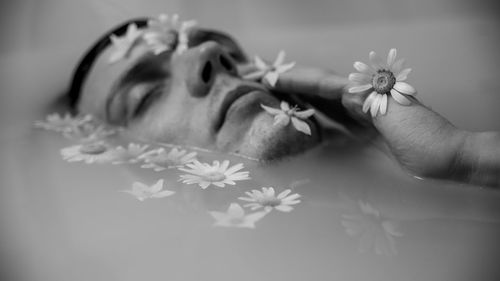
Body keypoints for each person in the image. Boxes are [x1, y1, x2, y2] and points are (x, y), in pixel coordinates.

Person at [65, 15, 500, 187]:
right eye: (145, 96)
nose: (210, 56)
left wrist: (462, 155)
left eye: (231, 55)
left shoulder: (424, 164)